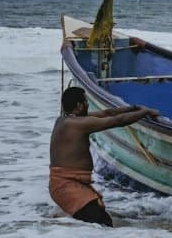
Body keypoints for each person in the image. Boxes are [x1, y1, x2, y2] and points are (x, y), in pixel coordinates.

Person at [49, 86, 159, 227]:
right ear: (79, 105)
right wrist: (145, 112)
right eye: (86, 102)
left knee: (97, 223)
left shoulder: (64, 120)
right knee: (103, 223)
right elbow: (117, 121)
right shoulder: (78, 124)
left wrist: (133, 108)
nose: (88, 105)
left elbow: (108, 113)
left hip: (67, 185)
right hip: (67, 186)